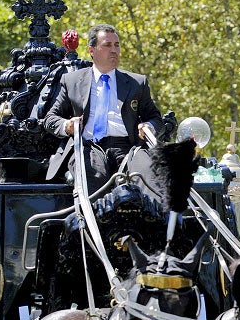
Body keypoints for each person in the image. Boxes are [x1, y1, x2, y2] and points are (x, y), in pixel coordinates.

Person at [44, 24, 174, 194]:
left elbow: (156, 118)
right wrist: (67, 125)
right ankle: (92, 219)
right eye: (107, 45)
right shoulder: (72, 81)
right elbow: (50, 118)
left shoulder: (137, 83)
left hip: (128, 147)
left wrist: (149, 126)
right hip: (89, 146)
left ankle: (155, 218)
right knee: (92, 174)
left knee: (148, 174)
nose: (114, 50)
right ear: (92, 50)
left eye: (117, 45)